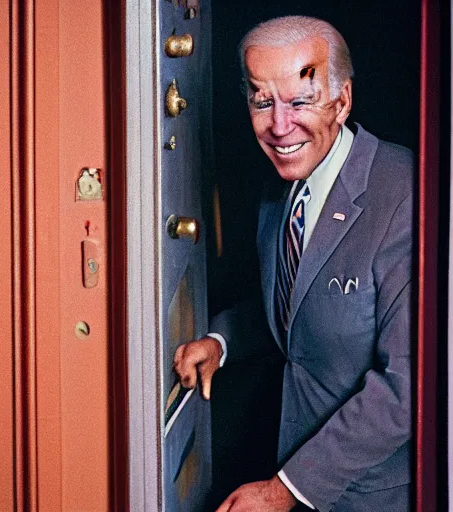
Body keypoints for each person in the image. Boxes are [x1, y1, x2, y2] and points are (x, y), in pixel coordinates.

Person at [174, 15, 413, 512]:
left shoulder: (405, 191)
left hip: (375, 493)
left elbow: (406, 385)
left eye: (300, 101)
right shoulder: (281, 186)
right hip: (292, 466)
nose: (279, 127)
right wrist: (221, 341)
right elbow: (301, 306)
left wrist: (285, 490)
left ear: (342, 101)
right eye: (263, 101)